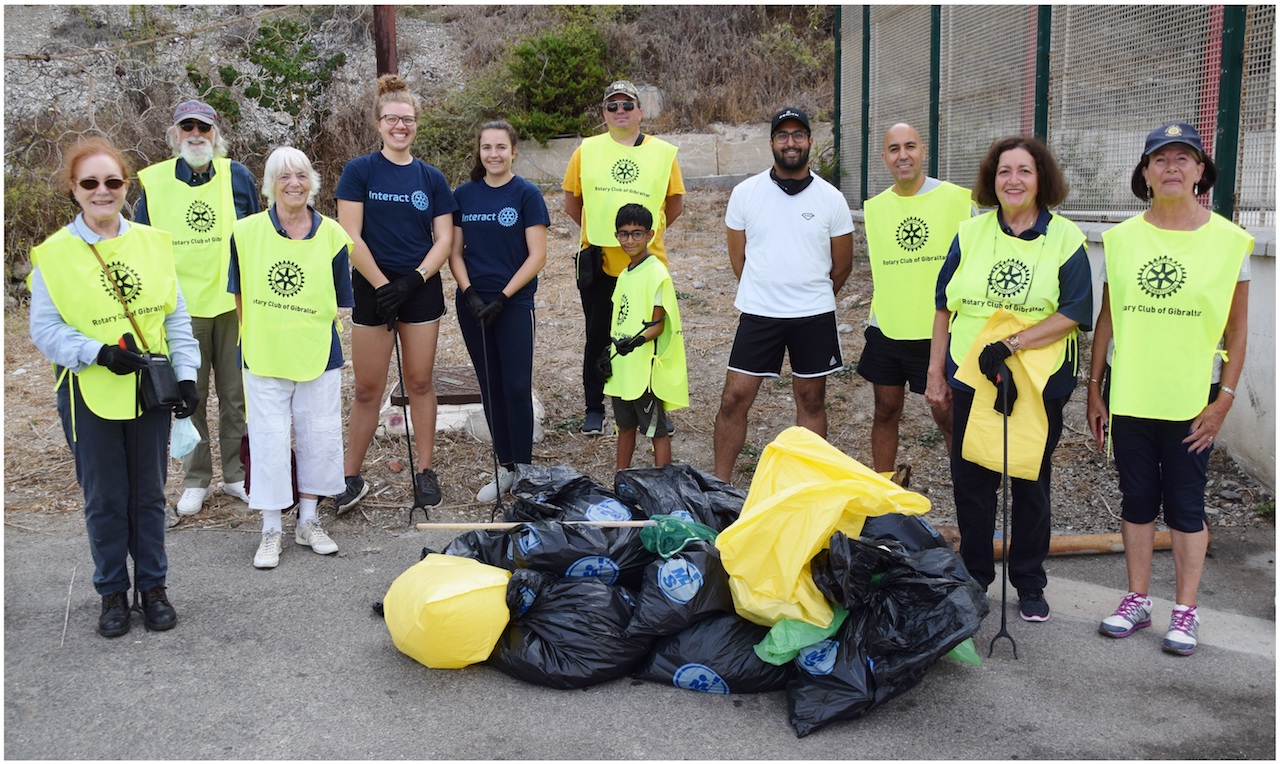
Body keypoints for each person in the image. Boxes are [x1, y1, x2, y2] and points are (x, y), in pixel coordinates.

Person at [1087, 122, 1251, 656]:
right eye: (1161, 158)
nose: (1173, 166)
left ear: (1202, 171)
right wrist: (1094, 389)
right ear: (1145, 174)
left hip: (1191, 400)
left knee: (1184, 505)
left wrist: (1223, 401)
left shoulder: (1230, 243)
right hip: (1132, 394)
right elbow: (1106, 322)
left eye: (1185, 158)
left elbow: (1238, 331)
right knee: (1136, 500)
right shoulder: (1122, 240)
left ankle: (1185, 610)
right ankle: (1137, 599)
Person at [29, 136, 200, 637]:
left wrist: (186, 378)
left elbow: (177, 318)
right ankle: (111, 592)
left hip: (149, 390)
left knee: (148, 494)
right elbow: (45, 330)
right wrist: (97, 353)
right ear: (73, 189)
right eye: (90, 183)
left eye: (112, 182)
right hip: (89, 392)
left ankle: (153, 587)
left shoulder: (153, 242)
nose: (102, 191)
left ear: (126, 185)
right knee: (105, 498)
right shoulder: (55, 255)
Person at [927, 136, 1092, 623]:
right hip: (971, 378)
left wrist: (1016, 343)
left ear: (1041, 178)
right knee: (972, 481)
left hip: (1038, 382)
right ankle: (975, 577)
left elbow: (1075, 310)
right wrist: (936, 372)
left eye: (1024, 170)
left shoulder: (1065, 238)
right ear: (991, 179)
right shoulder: (970, 234)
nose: (1013, 180)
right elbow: (943, 305)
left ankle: (1030, 582)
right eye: (1004, 171)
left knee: (1030, 481)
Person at [334, 74, 457, 514]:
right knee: (368, 388)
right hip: (372, 290)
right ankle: (349, 476)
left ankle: (424, 470)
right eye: (392, 119)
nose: (399, 126)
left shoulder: (432, 177)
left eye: (407, 119)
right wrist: (384, 285)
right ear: (378, 122)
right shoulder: (360, 171)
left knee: (420, 382)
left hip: (419, 291)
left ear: (416, 124)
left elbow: (443, 239)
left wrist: (414, 279)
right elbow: (350, 233)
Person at [713, 107, 855, 483]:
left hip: (814, 315)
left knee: (810, 400)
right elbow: (738, 260)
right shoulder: (746, 194)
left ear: (809, 141)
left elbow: (841, 267)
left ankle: (805, 486)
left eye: (798, 135)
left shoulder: (831, 198)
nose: (790, 142)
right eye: (782, 135)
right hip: (760, 313)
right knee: (734, 399)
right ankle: (719, 487)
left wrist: (809, 296)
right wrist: (767, 290)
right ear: (772, 142)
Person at [229, 146, 354, 569]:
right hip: (264, 354)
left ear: (312, 182)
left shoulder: (333, 234)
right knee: (268, 439)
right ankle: (270, 529)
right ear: (270, 184)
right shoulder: (245, 233)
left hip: (318, 352)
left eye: (301, 175)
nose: (294, 183)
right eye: (283, 176)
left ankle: (308, 520)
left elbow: (340, 300)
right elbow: (239, 295)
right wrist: (258, 337)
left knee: (318, 437)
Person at [136, 100, 260, 516]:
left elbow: (257, 236)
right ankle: (195, 480)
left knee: (234, 394)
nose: (195, 134)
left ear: (215, 134)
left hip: (231, 303)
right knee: (187, 397)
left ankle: (236, 475)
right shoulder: (154, 184)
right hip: (180, 310)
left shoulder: (237, 175)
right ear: (174, 134)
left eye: (203, 128)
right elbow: (140, 246)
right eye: (186, 126)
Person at [563, 80, 684, 436]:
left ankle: (652, 403)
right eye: (612, 106)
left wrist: (644, 237)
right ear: (604, 113)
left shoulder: (662, 153)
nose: (620, 112)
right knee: (598, 334)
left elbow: (674, 202)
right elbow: (573, 201)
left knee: (649, 334)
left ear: (640, 111)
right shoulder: (586, 150)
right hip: (599, 262)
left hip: (645, 263)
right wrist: (600, 231)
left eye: (627, 105)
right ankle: (594, 406)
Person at [859, 122, 972, 473]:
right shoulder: (875, 208)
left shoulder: (957, 200)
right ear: (884, 158)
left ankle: (970, 491)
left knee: (948, 414)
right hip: (888, 328)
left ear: (923, 151)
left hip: (941, 331)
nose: (902, 155)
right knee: (885, 411)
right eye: (894, 149)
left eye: (910, 146)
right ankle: (883, 494)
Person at [448, 121, 549, 502]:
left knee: (516, 386)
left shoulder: (526, 194)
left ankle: (525, 472)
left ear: (513, 151)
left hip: (513, 304)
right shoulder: (464, 195)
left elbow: (537, 255)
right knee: (490, 386)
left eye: (501, 147)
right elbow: (455, 252)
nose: (493, 154)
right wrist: (470, 293)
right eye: (486, 147)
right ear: (479, 151)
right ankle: (504, 467)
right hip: (473, 305)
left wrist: (503, 297)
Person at [602, 203, 688, 469]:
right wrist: (609, 352)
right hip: (623, 369)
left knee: (655, 430)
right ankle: (622, 479)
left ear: (650, 235)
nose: (630, 240)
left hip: (644, 369)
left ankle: (663, 482)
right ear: (616, 236)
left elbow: (658, 324)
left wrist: (637, 341)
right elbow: (621, 320)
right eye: (624, 234)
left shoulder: (656, 272)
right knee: (624, 426)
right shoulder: (625, 275)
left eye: (637, 233)